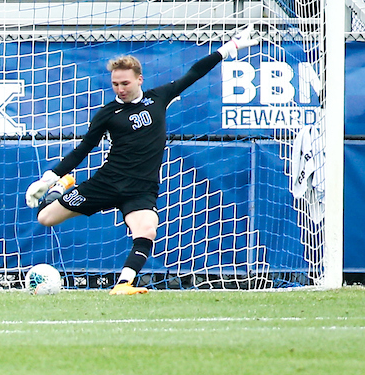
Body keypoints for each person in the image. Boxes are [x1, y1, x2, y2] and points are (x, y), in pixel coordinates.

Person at [24, 27, 259, 295]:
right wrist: (49, 178)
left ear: (139, 80)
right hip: (107, 182)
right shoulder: (107, 114)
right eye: (115, 84)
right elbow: (82, 150)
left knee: (146, 229)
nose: (120, 89)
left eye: (125, 83)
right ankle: (60, 188)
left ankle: (124, 284)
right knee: (45, 218)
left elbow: (194, 73)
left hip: (140, 189)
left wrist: (229, 48)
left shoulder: (158, 98)